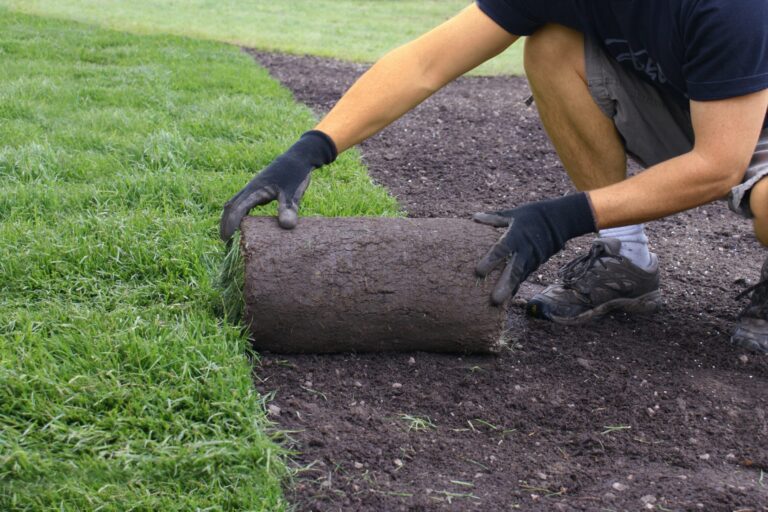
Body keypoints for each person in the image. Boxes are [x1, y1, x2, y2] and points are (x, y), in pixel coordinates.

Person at [219, 1, 768, 353]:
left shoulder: (731, 9)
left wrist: (562, 218)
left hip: (746, 128)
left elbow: (718, 166)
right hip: (695, 104)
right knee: (552, 47)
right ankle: (625, 257)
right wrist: (311, 149)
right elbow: (427, 62)